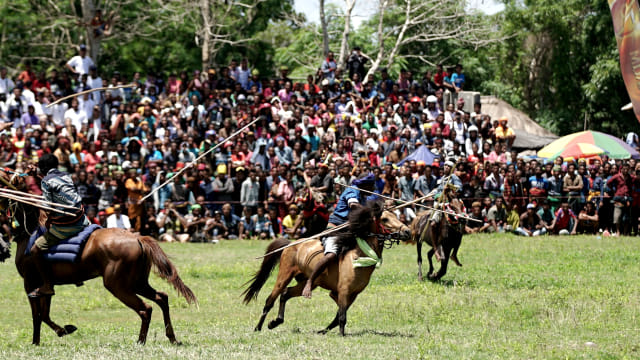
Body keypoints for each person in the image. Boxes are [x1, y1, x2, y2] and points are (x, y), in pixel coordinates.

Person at [302, 173, 376, 299]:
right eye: (372, 185)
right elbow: (353, 205)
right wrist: (369, 212)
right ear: (365, 185)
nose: (374, 189)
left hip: (349, 232)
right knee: (331, 254)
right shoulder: (352, 191)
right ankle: (310, 282)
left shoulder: (363, 197)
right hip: (335, 229)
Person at [27, 154, 89, 297]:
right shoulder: (66, 175)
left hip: (67, 225)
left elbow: (48, 206)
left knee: (36, 249)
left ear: (43, 168)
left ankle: (47, 285)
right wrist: (37, 174)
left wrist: (33, 199)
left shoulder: (46, 182)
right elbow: (53, 184)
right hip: (81, 219)